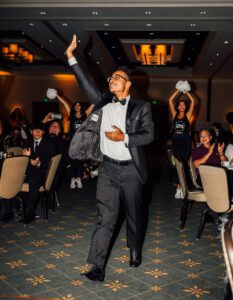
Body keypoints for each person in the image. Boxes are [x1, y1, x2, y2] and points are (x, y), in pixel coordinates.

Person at [66, 34, 154, 281]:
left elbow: (149, 136)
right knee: (105, 217)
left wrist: (124, 137)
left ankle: (134, 248)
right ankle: (96, 266)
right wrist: (72, 57)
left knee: (134, 215)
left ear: (128, 84)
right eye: (111, 77)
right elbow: (86, 84)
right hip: (107, 169)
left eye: (117, 77)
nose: (111, 80)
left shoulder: (141, 107)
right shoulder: (103, 100)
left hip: (132, 169)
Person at [22, 123, 56, 223]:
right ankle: (15, 211)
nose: (37, 132)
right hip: (28, 173)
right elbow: (22, 162)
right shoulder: (26, 143)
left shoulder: (49, 144)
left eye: (39, 130)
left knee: (33, 181)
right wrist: (28, 159)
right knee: (17, 180)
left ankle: (30, 213)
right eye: (34, 130)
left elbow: (49, 164)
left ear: (43, 132)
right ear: (31, 132)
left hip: (43, 174)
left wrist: (38, 163)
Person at [168, 86, 195, 198]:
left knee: (183, 165)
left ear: (185, 107)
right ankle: (178, 187)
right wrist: (178, 90)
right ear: (178, 107)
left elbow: (193, 101)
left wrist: (187, 92)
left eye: (184, 105)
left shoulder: (188, 116)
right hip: (176, 142)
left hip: (185, 142)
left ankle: (182, 188)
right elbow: (170, 100)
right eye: (180, 104)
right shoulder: (174, 115)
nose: (182, 106)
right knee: (177, 164)